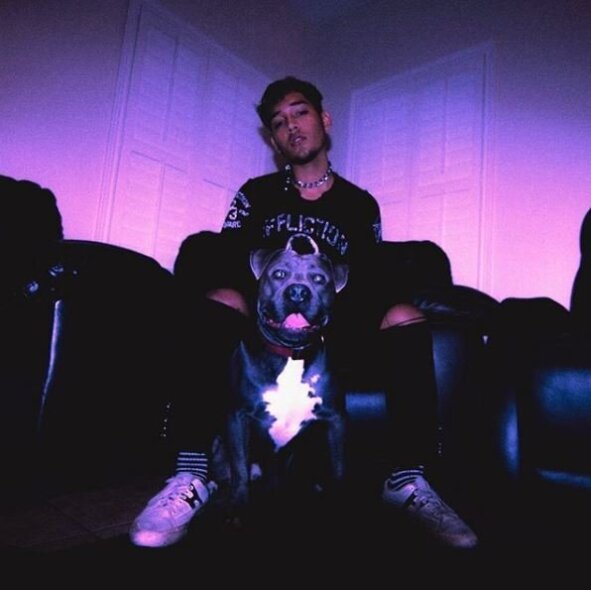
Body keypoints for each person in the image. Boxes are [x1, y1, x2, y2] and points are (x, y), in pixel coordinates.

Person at [129, 76, 479, 550]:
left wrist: (332, 316)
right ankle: (191, 474)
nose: (291, 126)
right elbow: (228, 262)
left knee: (403, 313)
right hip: (262, 332)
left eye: (300, 113)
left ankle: (407, 480)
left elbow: (369, 281)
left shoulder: (359, 204)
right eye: (279, 123)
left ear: (324, 119)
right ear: (273, 140)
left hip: (333, 329)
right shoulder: (256, 194)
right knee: (221, 299)